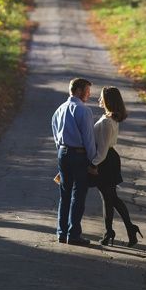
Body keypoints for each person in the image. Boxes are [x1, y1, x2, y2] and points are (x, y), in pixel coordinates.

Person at [89, 87, 142, 247]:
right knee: (109, 198)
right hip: (108, 158)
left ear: (108, 101)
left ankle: (114, 231)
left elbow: (103, 149)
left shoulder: (107, 121)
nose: (99, 100)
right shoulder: (110, 117)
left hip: (106, 161)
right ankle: (119, 230)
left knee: (109, 198)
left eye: (101, 97)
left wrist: (93, 164)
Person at [51, 77, 99, 246]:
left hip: (63, 153)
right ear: (78, 91)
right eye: (87, 91)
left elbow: (55, 133)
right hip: (79, 154)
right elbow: (88, 139)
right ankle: (74, 234)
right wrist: (93, 162)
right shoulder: (83, 110)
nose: (89, 94)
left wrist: (61, 152)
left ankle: (61, 232)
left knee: (64, 194)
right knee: (78, 195)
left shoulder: (60, 109)